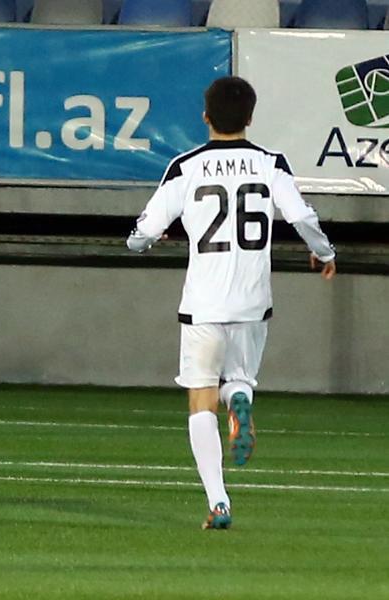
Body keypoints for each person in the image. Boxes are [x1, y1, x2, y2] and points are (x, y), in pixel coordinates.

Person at [127, 76, 336, 529]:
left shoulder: (185, 167)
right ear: (251, 118)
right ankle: (239, 396)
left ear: (205, 117)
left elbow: (143, 232)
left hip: (203, 302)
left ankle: (219, 502)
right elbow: (301, 215)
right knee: (238, 377)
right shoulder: (270, 163)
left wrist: (144, 240)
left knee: (200, 397)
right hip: (252, 300)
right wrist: (324, 252)